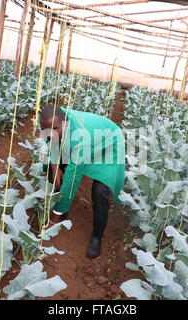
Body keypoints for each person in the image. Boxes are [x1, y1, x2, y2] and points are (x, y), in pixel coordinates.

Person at [39, 103, 125, 258]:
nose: (51, 134)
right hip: (89, 140)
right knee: (54, 173)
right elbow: (52, 143)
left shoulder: (79, 137)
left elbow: (72, 180)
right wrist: (55, 166)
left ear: (64, 122)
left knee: (99, 192)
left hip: (109, 144)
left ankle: (97, 237)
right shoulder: (53, 122)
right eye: (47, 130)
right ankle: (63, 208)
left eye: (55, 129)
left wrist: (53, 221)